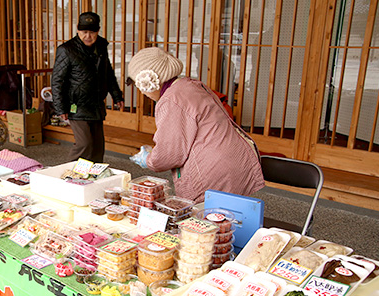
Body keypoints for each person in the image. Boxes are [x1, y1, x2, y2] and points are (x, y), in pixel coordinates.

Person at [127, 47, 265, 203]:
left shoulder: (171, 100)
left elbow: (169, 153)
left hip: (213, 170)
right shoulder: (189, 85)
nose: (142, 93)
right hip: (231, 158)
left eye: (140, 87)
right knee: (228, 217)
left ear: (150, 82)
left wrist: (149, 159)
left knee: (208, 221)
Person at [51, 11, 124, 163]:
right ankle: (68, 176)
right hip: (75, 104)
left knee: (97, 147)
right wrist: (60, 108)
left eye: (92, 32)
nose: (88, 36)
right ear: (78, 30)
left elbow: (108, 73)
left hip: (96, 103)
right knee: (84, 144)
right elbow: (57, 81)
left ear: (98, 31)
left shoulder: (101, 47)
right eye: (84, 32)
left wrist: (117, 95)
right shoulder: (66, 49)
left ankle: (94, 178)